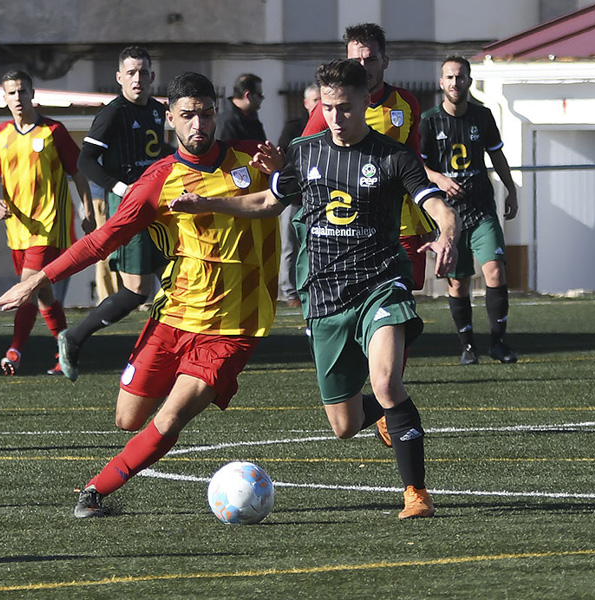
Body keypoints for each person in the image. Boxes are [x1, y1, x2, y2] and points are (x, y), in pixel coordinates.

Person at [171, 59, 458, 520]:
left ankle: (416, 493)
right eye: (327, 108)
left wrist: (447, 233)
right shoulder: (303, 152)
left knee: (386, 381)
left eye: (345, 108)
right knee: (344, 425)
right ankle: (386, 415)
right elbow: (267, 201)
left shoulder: (393, 156)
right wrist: (208, 202)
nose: (336, 118)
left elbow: (435, 203)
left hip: (380, 286)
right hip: (324, 298)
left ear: (366, 100)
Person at [0, 72, 279, 519]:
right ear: (170, 119)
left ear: (216, 111)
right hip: (174, 315)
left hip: (233, 326)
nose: (197, 124)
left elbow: (292, 192)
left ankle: (94, 491)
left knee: (170, 417)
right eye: (187, 116)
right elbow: (101, 240)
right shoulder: (158, 181)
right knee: (127, 419)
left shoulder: (252, 160)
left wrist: (283, 171)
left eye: (205, 113)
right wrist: (37, 279)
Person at [300, 22, 435, 446]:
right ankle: (379, 401)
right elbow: (308, 161)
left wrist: (435, 198)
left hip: (399, 230)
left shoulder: (405, 103)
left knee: (394, 317)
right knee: (344, 420)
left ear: (384, 60)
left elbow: (410, 159)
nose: (363, 64)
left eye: (369, 58)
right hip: (339, 243)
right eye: (356, 58)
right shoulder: (330, 111)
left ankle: (388, 397)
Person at [60, 46, 171, 382]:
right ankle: (74, 338)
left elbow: (156, 152)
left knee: (178, 279)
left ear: (152, 77)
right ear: (119, 77)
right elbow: (85, 162)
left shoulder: (156, 110)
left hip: (161, 209)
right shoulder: (112, 113)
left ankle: (168, 356)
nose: (138, 78)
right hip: (130, 212)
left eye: (143, 72)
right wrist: (122, 189)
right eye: (131, 72)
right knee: (137, 291)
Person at [0, 69, 93, 376]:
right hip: (17, 229)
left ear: (33, 94)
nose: (18, 98)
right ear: (4, 98)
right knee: (44, 294)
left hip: (49, 226)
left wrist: (88, 212)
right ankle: (66, 351)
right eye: (12, 93)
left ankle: (14, 351)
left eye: (22, 91)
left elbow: (78, 172)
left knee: (27, 288)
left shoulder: (53, 131)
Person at [419, 55, 518, 366]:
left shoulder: (483, 116)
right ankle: (468, 347)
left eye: (460, 77)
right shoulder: (429, 121)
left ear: (469, 81)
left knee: (495, 270)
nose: (454, 82)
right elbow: (418, 165)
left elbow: (497, 155)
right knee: (459, 282)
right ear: (441, 82)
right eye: (449, 77)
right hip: (449, 216)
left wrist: (511, 188)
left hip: (481, 207)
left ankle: (499, 343)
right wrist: (439, 179)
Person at [275, 84, 320, 309]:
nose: (319, 104)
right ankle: (290, 291)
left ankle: (314, 288)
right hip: (295, 198)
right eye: (315, 100)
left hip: (319, 198)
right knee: (290, 246)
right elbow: (282, 157)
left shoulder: (331, 126)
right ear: (305, 103)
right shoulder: (295, 127)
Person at [215, 73, 267, 142]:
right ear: (248, 95)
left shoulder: (252, 119)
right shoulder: (227, 123)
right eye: (259, 95)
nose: (263, 98)